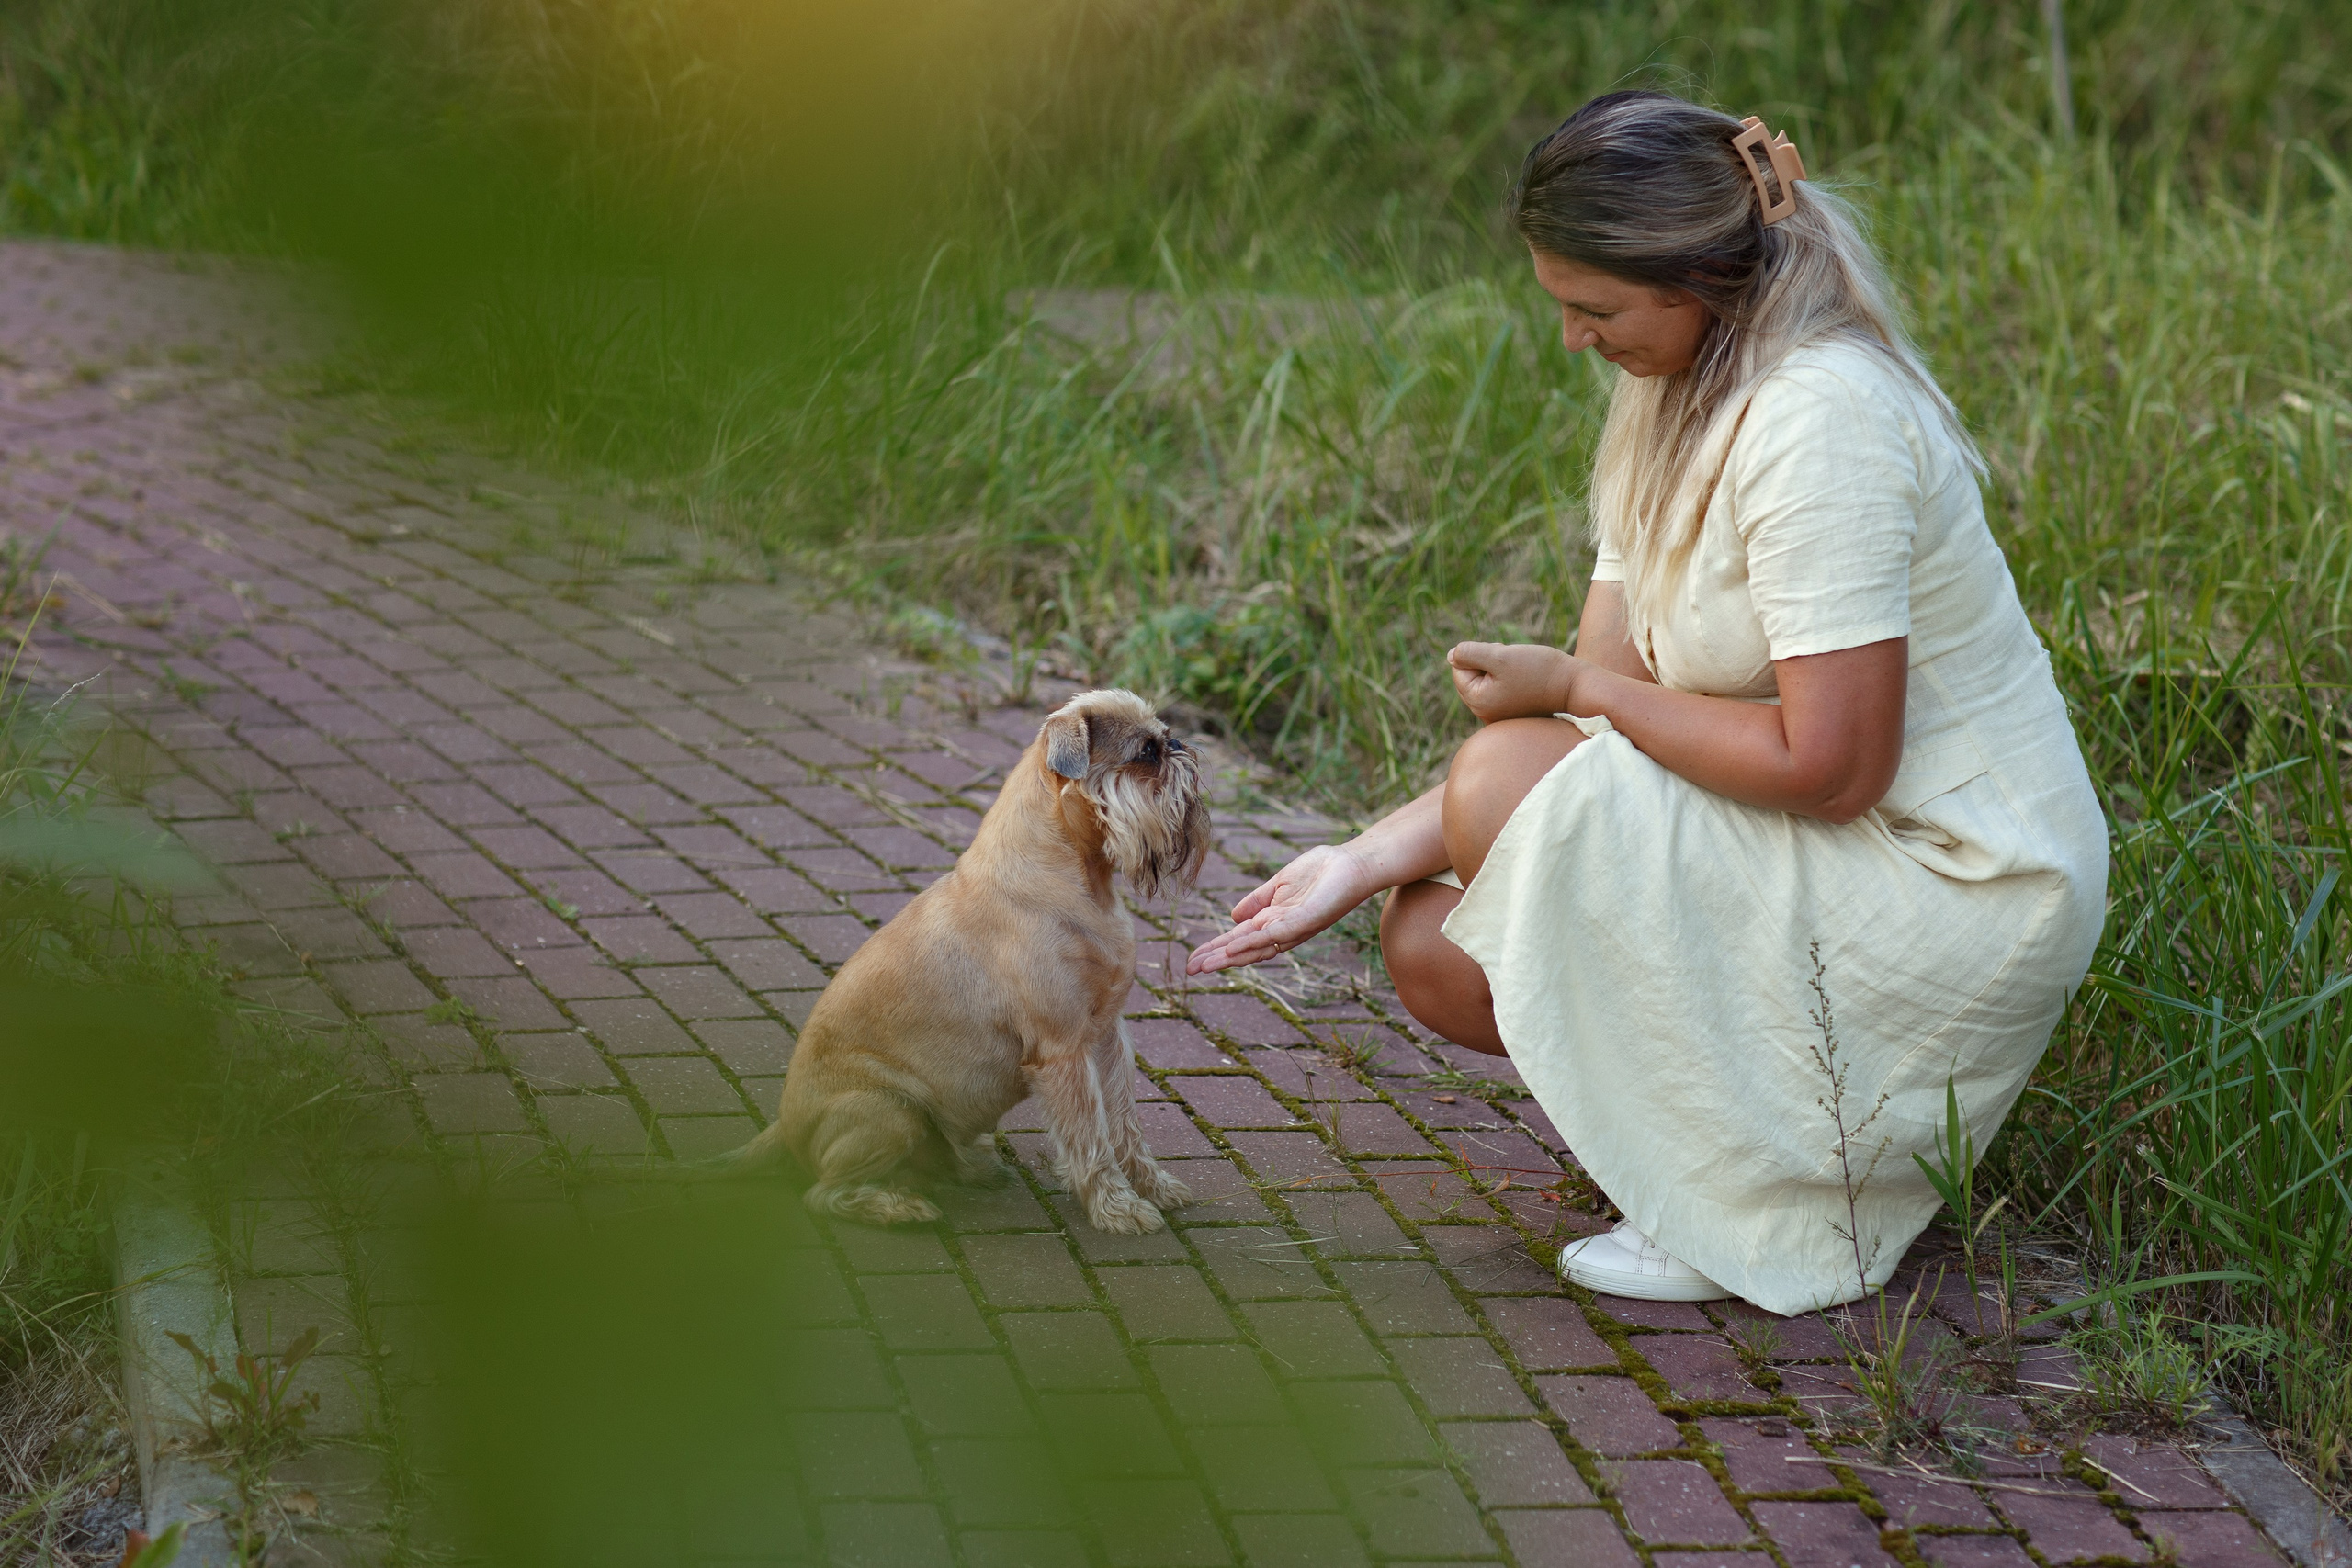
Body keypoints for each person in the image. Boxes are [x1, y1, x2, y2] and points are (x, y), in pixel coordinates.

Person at [1185, 91, 2108, 1314]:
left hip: (1954, 875)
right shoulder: (1669, 391)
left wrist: (1574, 690)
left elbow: (1833, 765)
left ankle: (1732, 1203)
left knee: (1500, 783)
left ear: (1701, 278)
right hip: (1831, 829)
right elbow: (1600, 735)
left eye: (1595, 310)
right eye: (1562, 304)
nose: (1572, 339)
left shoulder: (1820, 417)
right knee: (1429, 942)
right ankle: (1705, 1155)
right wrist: (1354, 859)